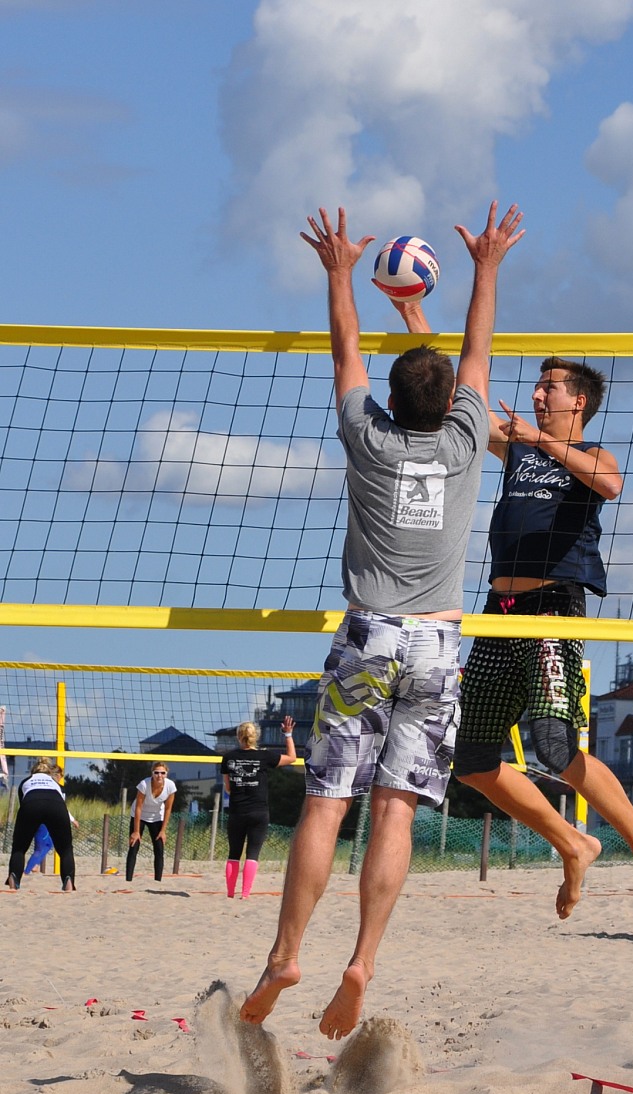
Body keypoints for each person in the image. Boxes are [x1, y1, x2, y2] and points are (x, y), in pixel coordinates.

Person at [240, 200, 525, 1039]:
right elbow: (477, 351)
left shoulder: (367, 437)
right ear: (451, 403)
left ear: (391, 400)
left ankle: (286, 955)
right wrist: (486, 266)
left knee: (327, 802)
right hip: (437, 644)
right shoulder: (467, 438)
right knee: (396, 809)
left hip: (369, 634)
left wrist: (337, 272)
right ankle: (362, 959)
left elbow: (346, 350)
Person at [450, 356, 633, 924]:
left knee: (555, 744)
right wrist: (414, 317)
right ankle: (573, 843)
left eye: (548, 387)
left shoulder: (592, 454)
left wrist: (541, 443)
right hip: (500, 614)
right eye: (536, 386)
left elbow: (610, 484)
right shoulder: (519, 447)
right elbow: (463, 397)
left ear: (578, 401)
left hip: (552, 608)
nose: (536, 395)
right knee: (471, 759)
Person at [220, 716, 297, 899]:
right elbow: (292, 757)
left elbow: (228, 788)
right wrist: (288, 734)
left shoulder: (228, 757)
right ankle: (245, 894)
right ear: (256, 737)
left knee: (234, 854)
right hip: (259, 812)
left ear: (238, 736)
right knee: (252, 854)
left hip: (237, 811)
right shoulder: (264, 755)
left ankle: (230, 893)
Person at [5, 759, 76, 892]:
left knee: (19, 848)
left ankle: (13, 879)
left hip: (31, 805)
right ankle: (69, 882)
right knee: (65, 849)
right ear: (49, 773)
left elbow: (23, 803)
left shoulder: (25, 781)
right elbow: (62, 803)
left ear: (33, 772)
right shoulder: (56, 784)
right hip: (56, 806)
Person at [126, 762, 176, 882]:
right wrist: (136, 831)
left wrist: (163, 831)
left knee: (159, 848)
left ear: (166, 774)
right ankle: (128, 880)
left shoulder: (170, 786)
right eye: (156, 773)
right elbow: (138, 807)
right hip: (139, 815)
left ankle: (158, 881)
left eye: (163, 773)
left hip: (156, 817)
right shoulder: (144, 784)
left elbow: (168, 809)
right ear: (152, 773)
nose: (159, 775)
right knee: (134, 845)